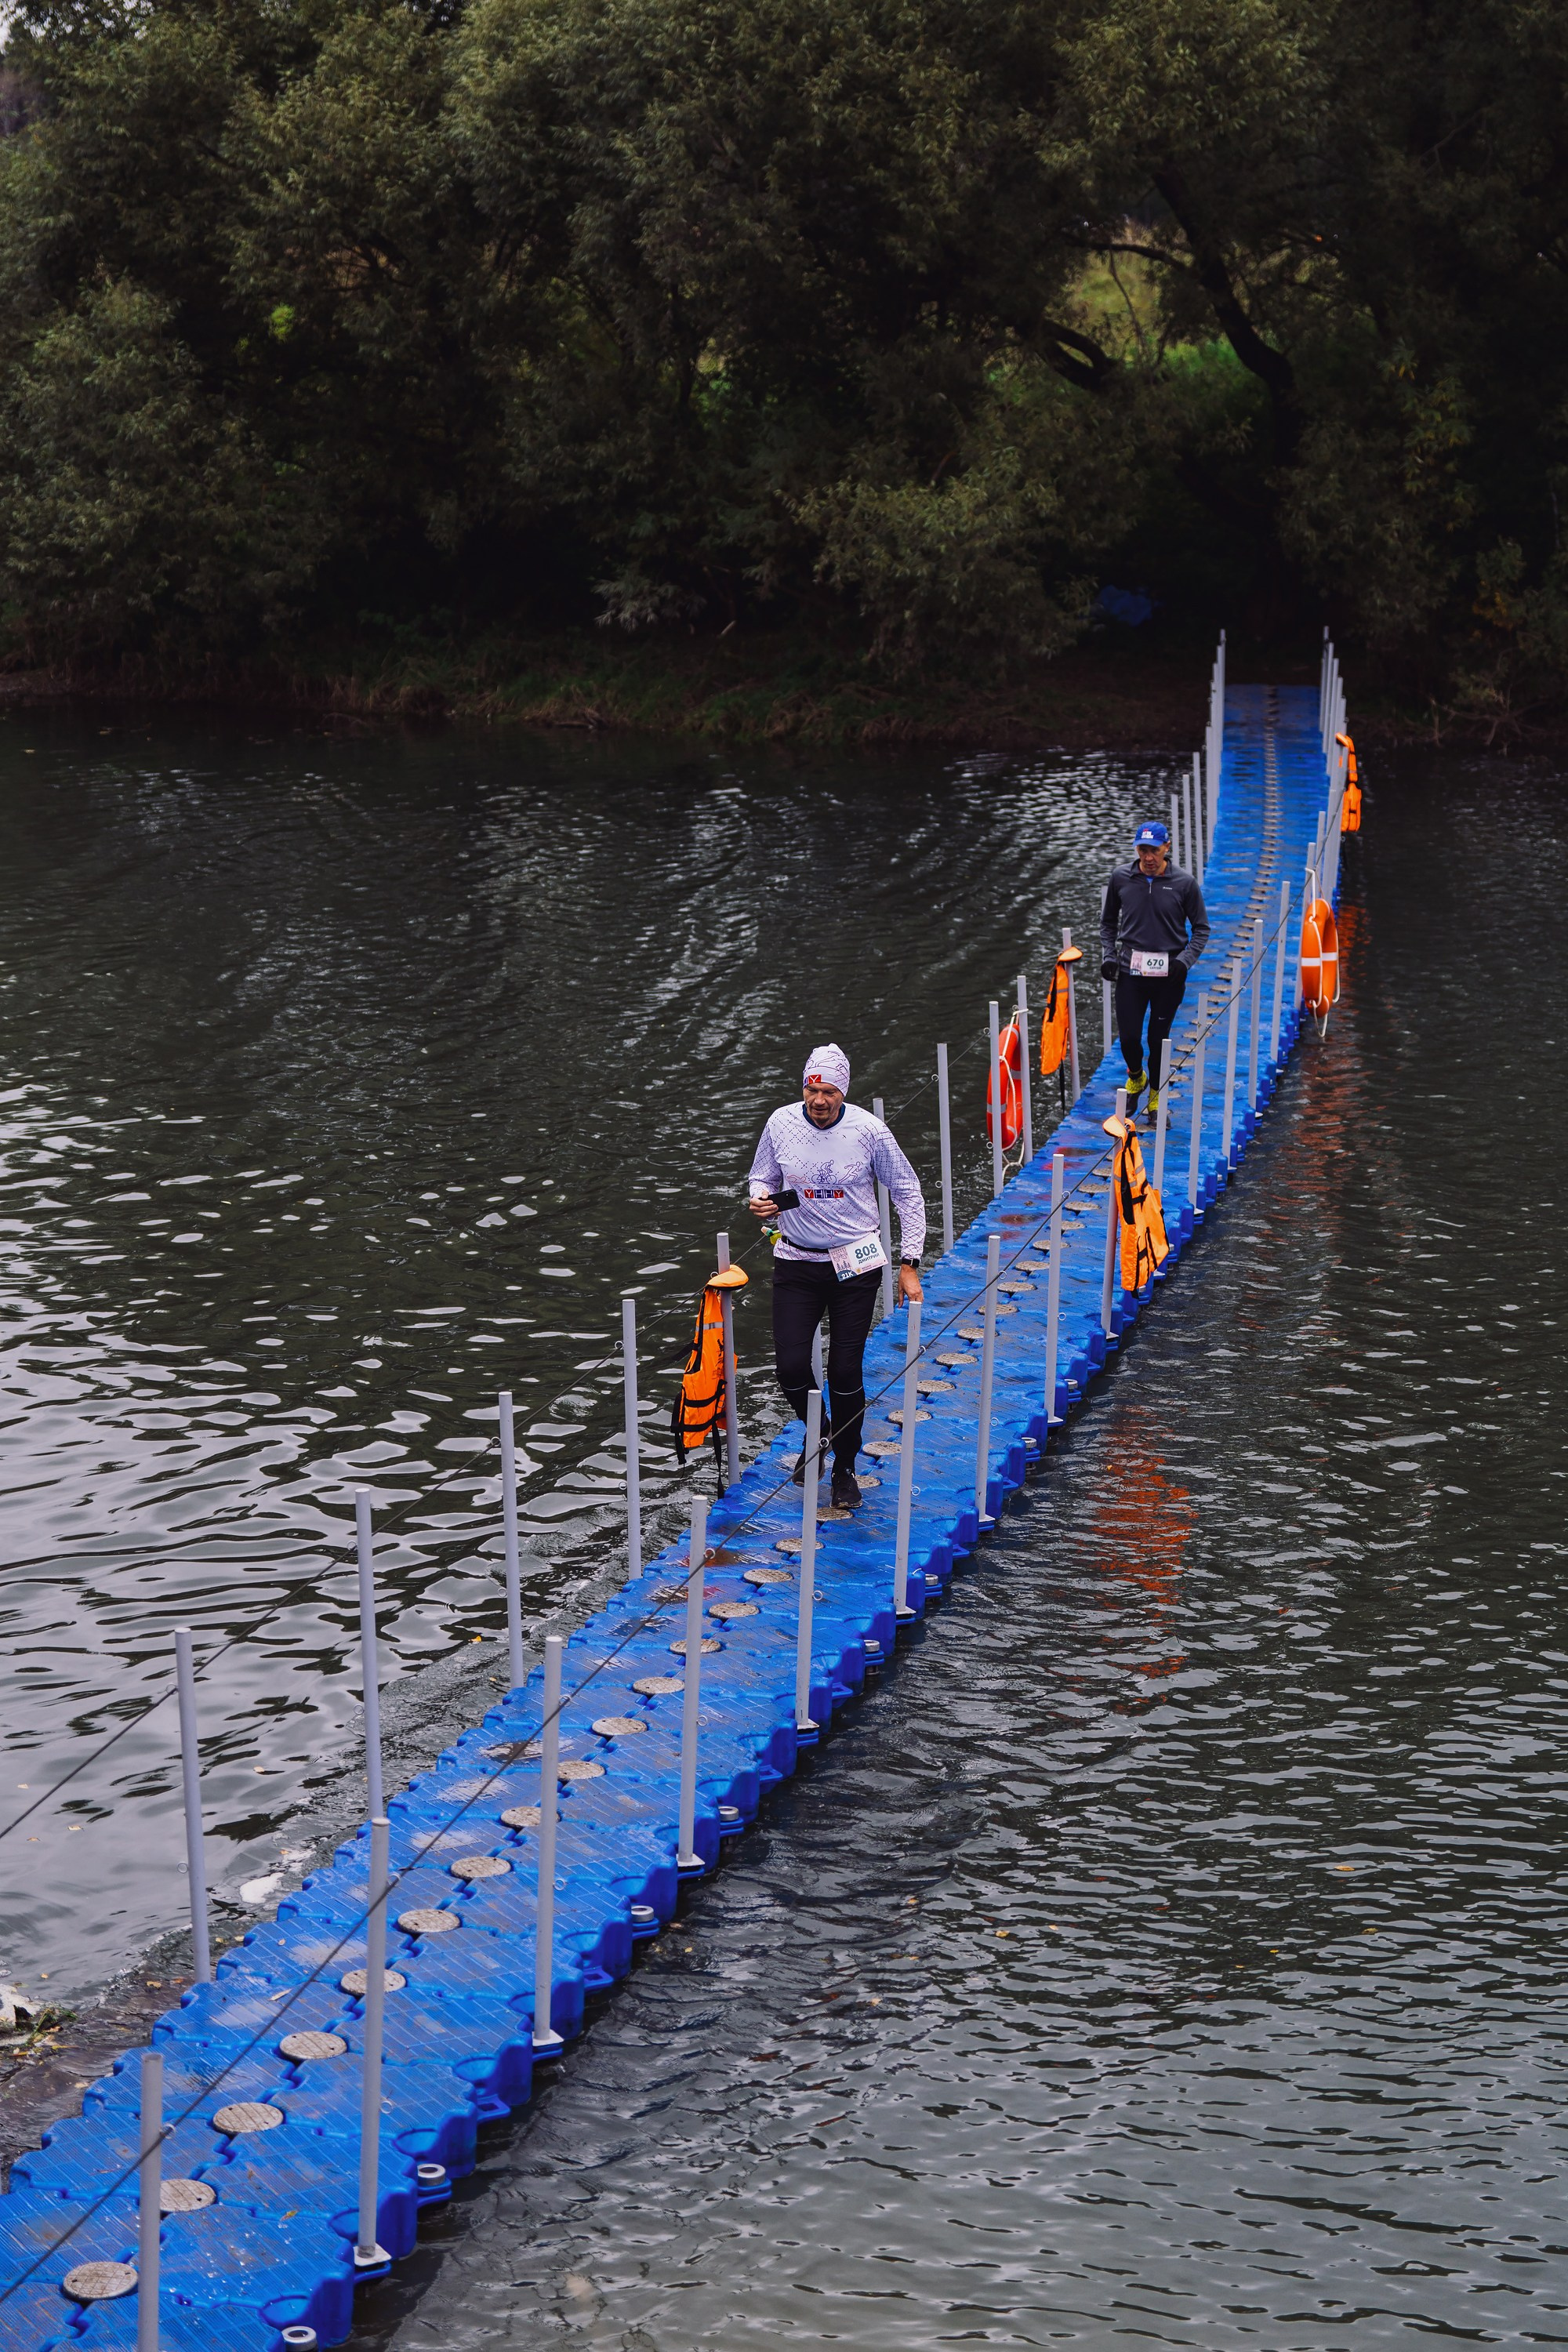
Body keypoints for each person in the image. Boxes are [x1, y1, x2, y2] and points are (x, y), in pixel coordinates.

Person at [748, 1044, 925, 1512]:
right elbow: (759, 1177)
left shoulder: (869, 1131)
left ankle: (845, 1468)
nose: (819, 1100)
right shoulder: (780, 1123)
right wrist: (761, 1198)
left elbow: (908, 1191)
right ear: (803, 1087)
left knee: (844, 1369)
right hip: (795, 1261)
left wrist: (910, 1263)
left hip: (855, 1265)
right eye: (812, 1089)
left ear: (842, 1092)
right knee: (789, 1367)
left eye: (829, 1091)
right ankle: (821, 1432)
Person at [1100, 819, 1209, 1118]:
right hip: (1130, 973)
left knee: (1157, 1039)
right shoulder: (1121, 878)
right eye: (1143, 850)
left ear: (1167, 848)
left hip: (1168, 976)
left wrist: (1184, 962)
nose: (1149, 858)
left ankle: (1157, 1099)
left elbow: (1201, 929)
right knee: (1130, 1038)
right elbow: (1108, 923)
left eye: (1154, 850)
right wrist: (1109, 956)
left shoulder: (1185, 883)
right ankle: (1137, 1077)